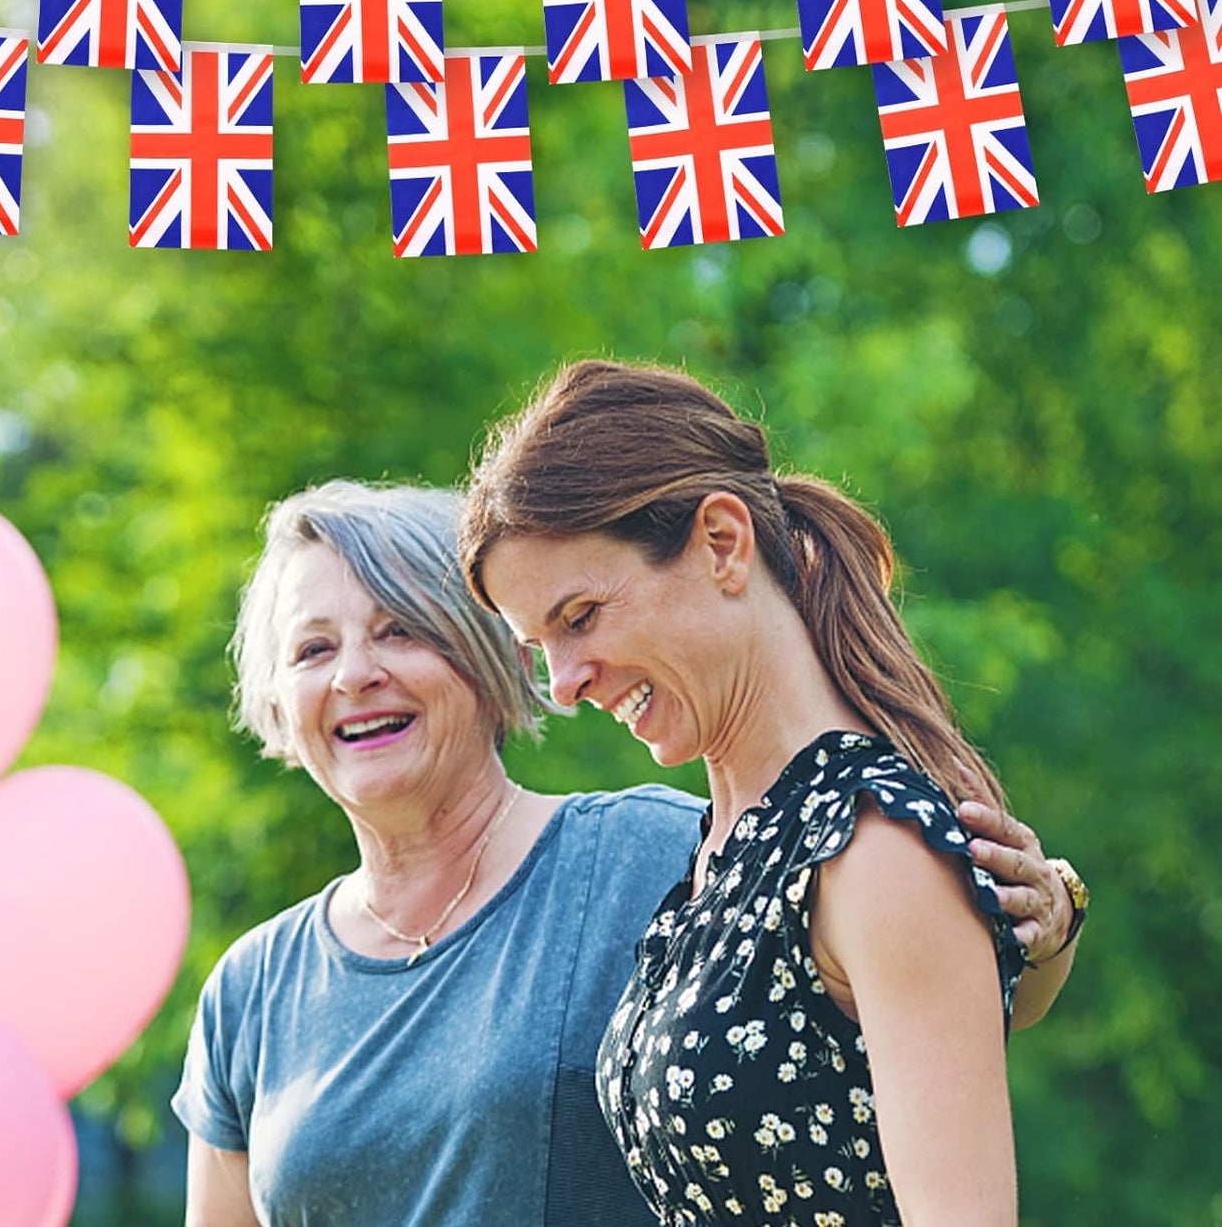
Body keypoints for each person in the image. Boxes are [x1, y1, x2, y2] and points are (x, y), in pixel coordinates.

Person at [174, 478, 1079, 1227]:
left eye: (400, 629)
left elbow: (929, 993)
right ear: (275, 702)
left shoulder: (650, 853)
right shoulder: (250, 992)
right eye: (312, 648)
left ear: (491, 663)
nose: (354, 674)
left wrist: (1048, 922)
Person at [458, 359, 1086, 1227]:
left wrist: (1049, 923)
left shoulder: (869, 847)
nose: (562, 684)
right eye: (540, 647)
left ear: (721, 541)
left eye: (580, 617)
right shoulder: (732, 841)